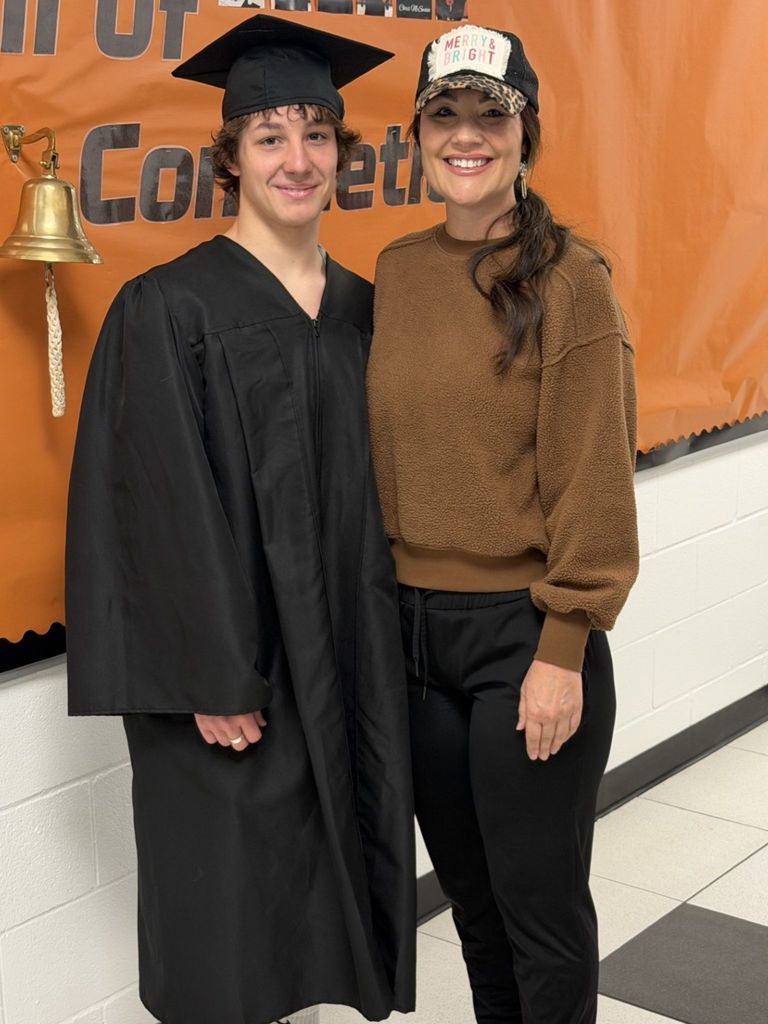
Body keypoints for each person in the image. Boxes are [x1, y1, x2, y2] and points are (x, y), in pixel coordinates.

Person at [66, 15, 415, 1024]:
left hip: (351, 659)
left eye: (317, 135)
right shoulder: (168, 308)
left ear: (343, 153)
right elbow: (148, 506)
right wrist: (207, 676)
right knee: (230, 917)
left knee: (328, 910)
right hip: (237, 678)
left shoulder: (366, 312)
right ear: (229, 159)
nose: (297, 160)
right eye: (269, 137)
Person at [367, 23, 639, 1024]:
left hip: (522, 640)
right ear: (418, 136)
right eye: (444, 114)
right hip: (412, 642)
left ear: (526, 133)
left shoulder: (571, 280)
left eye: (492, 113)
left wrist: (563, 647)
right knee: (474, 914)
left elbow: (596, 478)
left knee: (540, 917)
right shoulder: (398, 270)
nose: (467, 135)